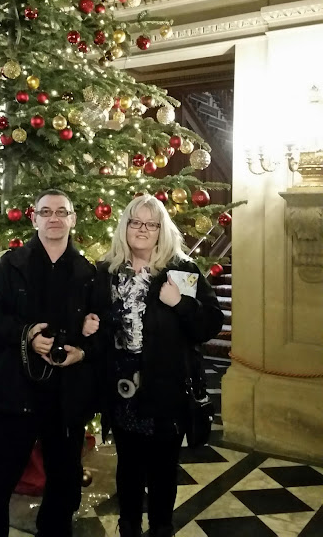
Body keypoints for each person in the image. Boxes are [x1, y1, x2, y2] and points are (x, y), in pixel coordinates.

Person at [83, 194, 223, 537]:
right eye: (136, 222)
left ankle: (161, 527)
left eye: (151, 224)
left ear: (162, 230)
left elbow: (210, 324)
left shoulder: (182, 271)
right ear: (125, 227)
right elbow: (93, 321)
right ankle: (129, 526)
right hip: (122, 387)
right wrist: (88, 325)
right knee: (128, 466)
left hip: (167, 386)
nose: (143, 229)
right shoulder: (106, 272)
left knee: (163, 468)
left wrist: (181, 304)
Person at [0, 189, 98, 537]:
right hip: (17, 393)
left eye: (61, 211)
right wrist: (25, 334)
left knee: (65, 483)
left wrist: (85, 345)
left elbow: (103, 327)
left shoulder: (89, 272)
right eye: (46, 212)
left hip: (66, 397)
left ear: (73, 219)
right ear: (34, 219)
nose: (54, 218)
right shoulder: (7, 267)